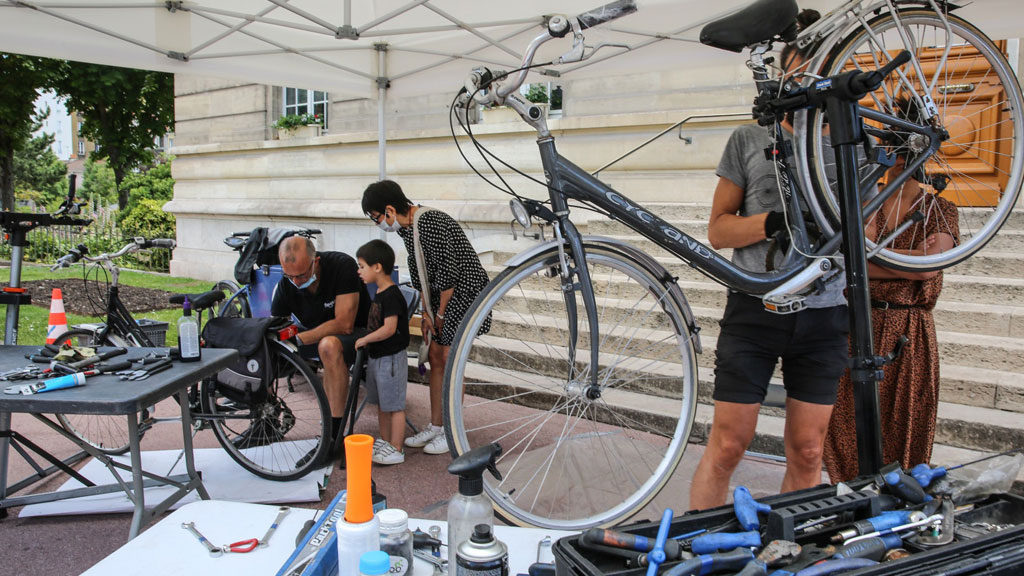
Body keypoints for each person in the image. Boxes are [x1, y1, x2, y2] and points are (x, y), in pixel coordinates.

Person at [689, 34, 850, 509]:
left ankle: (789, 550)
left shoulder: (851, 145)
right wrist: (772, 223)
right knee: (728, 445)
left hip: (825, 315)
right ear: (783, 75)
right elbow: (718, 231)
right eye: (801, 72)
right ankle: (696, 544)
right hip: (755, 308)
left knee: (808, 450)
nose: (811, 83)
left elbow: (871, 234)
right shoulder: (748, 138)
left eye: (822, 73)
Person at [824, 99, 959, 482]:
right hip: (859, 324)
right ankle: (853, 505)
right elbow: (854, 262)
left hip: (908, 331)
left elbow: (929, 267)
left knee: (905, 431)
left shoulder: (940, 208)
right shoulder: (865, 202)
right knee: (847, 431)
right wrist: (912, 257)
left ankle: (900, 509)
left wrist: (879, 257)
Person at [361, 180, 490, 456]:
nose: (379, 225)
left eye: (377, 218)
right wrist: (426, 314)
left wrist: (439, 314)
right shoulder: (409, 230)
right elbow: (421, 273)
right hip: (441, 299)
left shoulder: (430, 221)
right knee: (434, 357)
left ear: (389, 209)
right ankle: (436, 424)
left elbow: (447, 276)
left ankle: (451, 430)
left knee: (449, 359)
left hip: (462, 295)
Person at [272, 235, 371, 444]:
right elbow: (276, 325)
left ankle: (334, 433)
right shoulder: (286, 283)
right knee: (266, 347)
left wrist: (298, 339)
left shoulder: (341, 266)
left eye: (301, 275)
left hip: (359, 333)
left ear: (315, 262)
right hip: (314, 332)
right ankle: (266, 418)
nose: (296, 282)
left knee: (328, 345)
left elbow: (345, 323)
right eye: (290, 276)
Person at [354, 239, 411, 466]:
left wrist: (365, 339)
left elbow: (389, 329)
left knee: (395, 405)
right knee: (381, 404)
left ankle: (397, 447)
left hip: (391, 358)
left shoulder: (391, 294)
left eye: (362, 266)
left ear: (377, 267)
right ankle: (386, 442)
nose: (359, 272)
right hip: (377, 357)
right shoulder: (378, 292)